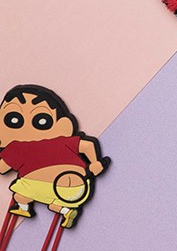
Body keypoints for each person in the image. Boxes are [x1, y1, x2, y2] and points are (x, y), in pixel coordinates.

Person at [0, 84, 109, 229]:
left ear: (64, 125)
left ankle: (24, 208)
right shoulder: (62, 141)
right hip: (76, 187)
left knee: (20, 195)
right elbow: (87, 146)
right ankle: (66, 211)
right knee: (53, 203)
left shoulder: (16, 149)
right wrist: (95, 163)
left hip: (41, 185)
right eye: (13, 120)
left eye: (42, 120)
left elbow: (2, 168)